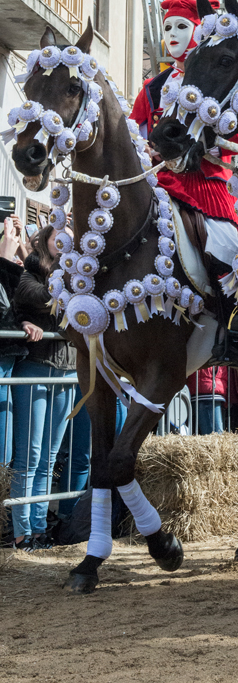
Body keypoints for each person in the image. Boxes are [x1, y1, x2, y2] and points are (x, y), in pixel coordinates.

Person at [131, 0, 238, 363]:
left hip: (205, 184)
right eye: (167, 28)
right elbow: (136, 131)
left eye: (182, 26)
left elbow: (237, 137)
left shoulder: (219, 79)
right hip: (158, 182)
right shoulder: (152, 87)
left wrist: (210, 150)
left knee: (229, 251)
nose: (173, 34)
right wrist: (143, 151)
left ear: (198, 31)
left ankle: (234, 328)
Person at [10, 225, 75, 550]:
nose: (66, 240)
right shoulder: (30, 272)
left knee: (49, 457)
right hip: (35, 368)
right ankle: (22, 533)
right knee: (29, 455)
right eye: (58, 235)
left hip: (66, 372)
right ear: (45, 241)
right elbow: (35, 298)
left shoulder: (78, 275)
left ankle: (39, 528)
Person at [0, 216, 41, 472]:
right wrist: (5, 259)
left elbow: (11, 304)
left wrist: (23, 321)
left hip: (7, 357)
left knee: (5, 431)